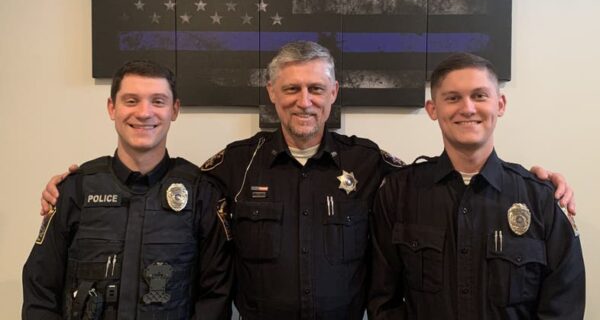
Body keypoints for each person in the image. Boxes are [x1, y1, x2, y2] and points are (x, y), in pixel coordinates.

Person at [39, 42, 575, 320]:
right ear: (272, 95)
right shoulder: (232, 166)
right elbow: (165, 188)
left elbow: (444, 181)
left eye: (316, 89)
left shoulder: (373, 166)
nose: (305, 101)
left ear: (333, 94)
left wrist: (538, 183)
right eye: (292, 89)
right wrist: (77, 183)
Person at [368, 53, 585, 319]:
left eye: (479, 96)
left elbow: (563, 308)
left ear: (500, 104)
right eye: (453, 98)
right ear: (433, 109)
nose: (468, 108)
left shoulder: (541, 199)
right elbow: (383, 301)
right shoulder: (398, 194)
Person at [23, 60, 232, 320]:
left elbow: (215, 297)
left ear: (174, 110)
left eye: (158, 101)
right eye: (131, 101)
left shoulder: (202, 193)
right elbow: (40, 291)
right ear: (112, 108)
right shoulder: (75, 190)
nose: (144, 113)